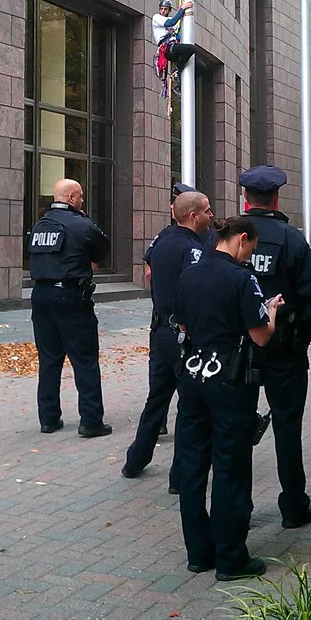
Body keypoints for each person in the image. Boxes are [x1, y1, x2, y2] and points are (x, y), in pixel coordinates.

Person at [174, 216, 284, 580]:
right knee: (230, 466)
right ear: (241, 239)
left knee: (191, 464)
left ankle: (197, 552)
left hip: (192, 374)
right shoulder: (242, 279)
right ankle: (231, 557)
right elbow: (261, 336)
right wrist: (270, 312)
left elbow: (183, 323)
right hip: (230, 380)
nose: (249, 255)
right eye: (250, 248)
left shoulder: (189, 273)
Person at [239, 164, 311, 529]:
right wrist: (309, 336)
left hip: (237, 350)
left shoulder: (228, 237)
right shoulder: (291, 239)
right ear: (275, 198)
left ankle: (238, 508)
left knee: (236, 428)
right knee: (287, 428)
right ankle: (293, 507)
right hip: (284, 351)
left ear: (245, 198)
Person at [122, 190, 213, 490]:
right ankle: (180, 476)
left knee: (157, 399)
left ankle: (135, 460)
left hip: (160, 331)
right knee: (189, 404)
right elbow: (196, 291)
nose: (211, 217)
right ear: (193, 216)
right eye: (207, 211)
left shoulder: (161, 238)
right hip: (183, 334)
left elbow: (150, 275)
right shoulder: (193, 249)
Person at [28, 178, 111, 437]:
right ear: (72, 198)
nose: (83, 201)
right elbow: (101, 252)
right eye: (81, 197)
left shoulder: (40, 225)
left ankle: (49, 419)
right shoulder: (81, 224)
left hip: (40, 296)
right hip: (70, 296)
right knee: (84, 360)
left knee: (49, 360)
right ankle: (91, 421)